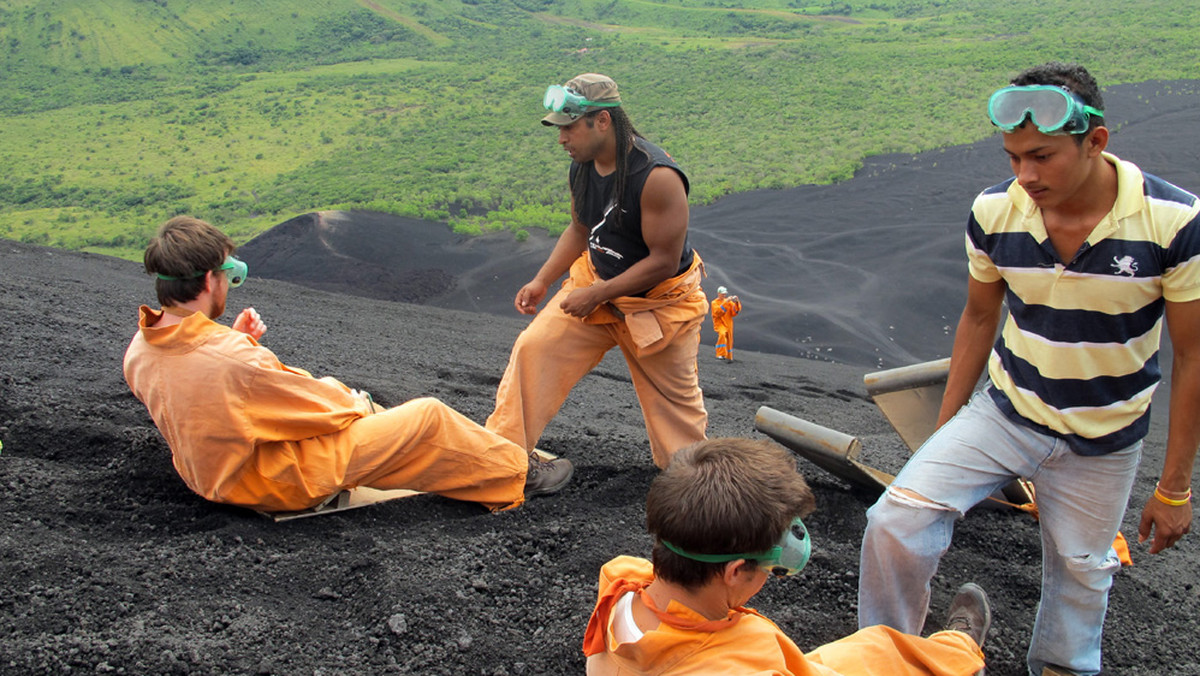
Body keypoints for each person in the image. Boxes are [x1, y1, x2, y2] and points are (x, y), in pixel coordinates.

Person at [858, 62, 1200, 676]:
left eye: (1042, 156)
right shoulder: (995, 212)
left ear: (1096, 141)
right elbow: (977, 320)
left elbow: (1194, 355)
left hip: (1104, 436)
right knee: (894, 519)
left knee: (1081, 573)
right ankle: (884, 658)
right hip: (1006, 410)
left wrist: (1174, 487)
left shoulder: (1174, 221)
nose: (1025, 175)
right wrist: (942, 431)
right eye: (1014, 157)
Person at [123, 216, 573, 514]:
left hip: (208, 473)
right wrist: (358, 402)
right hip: (265, 480)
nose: (228, 286)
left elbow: (205, 390)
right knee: (425, 418)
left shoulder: (140, 349)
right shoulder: (232, 359)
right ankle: (518, 472)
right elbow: (323, 408)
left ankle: (483, 457)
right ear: (207, 279)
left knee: (378, 422)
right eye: (227, 276)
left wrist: (235, 341)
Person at [583, 438, 989, 675]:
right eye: (771, 567)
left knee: (875, 645)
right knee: (888, 654)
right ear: (736, 570)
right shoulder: (743, 664)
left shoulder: (620, 581)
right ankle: (962, 653)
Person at [485, 73, 708, 469]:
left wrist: (596, 296)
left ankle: (695, 499)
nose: (561, 139)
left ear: (602, 121)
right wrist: (543, 280)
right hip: (594, 284)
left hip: (656, 306)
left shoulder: (657, 178)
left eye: (569, 128)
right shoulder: (583, 167)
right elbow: (581, 229)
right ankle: (503, 462)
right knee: (535, 350)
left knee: (679, 424)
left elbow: (663, 262)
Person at [710, 285, 741, 362]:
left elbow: (735, 312)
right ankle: (720, 354)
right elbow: (717, 313)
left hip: (728, 323)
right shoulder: (714, 303)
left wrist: (737, 302)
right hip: (720, 323)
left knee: (729, 339)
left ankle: (728, 356)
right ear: (718, 293)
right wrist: (725, 302)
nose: (724, 295)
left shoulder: (729, 302)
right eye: (722, 294)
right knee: (722, 334)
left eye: (725, 294)